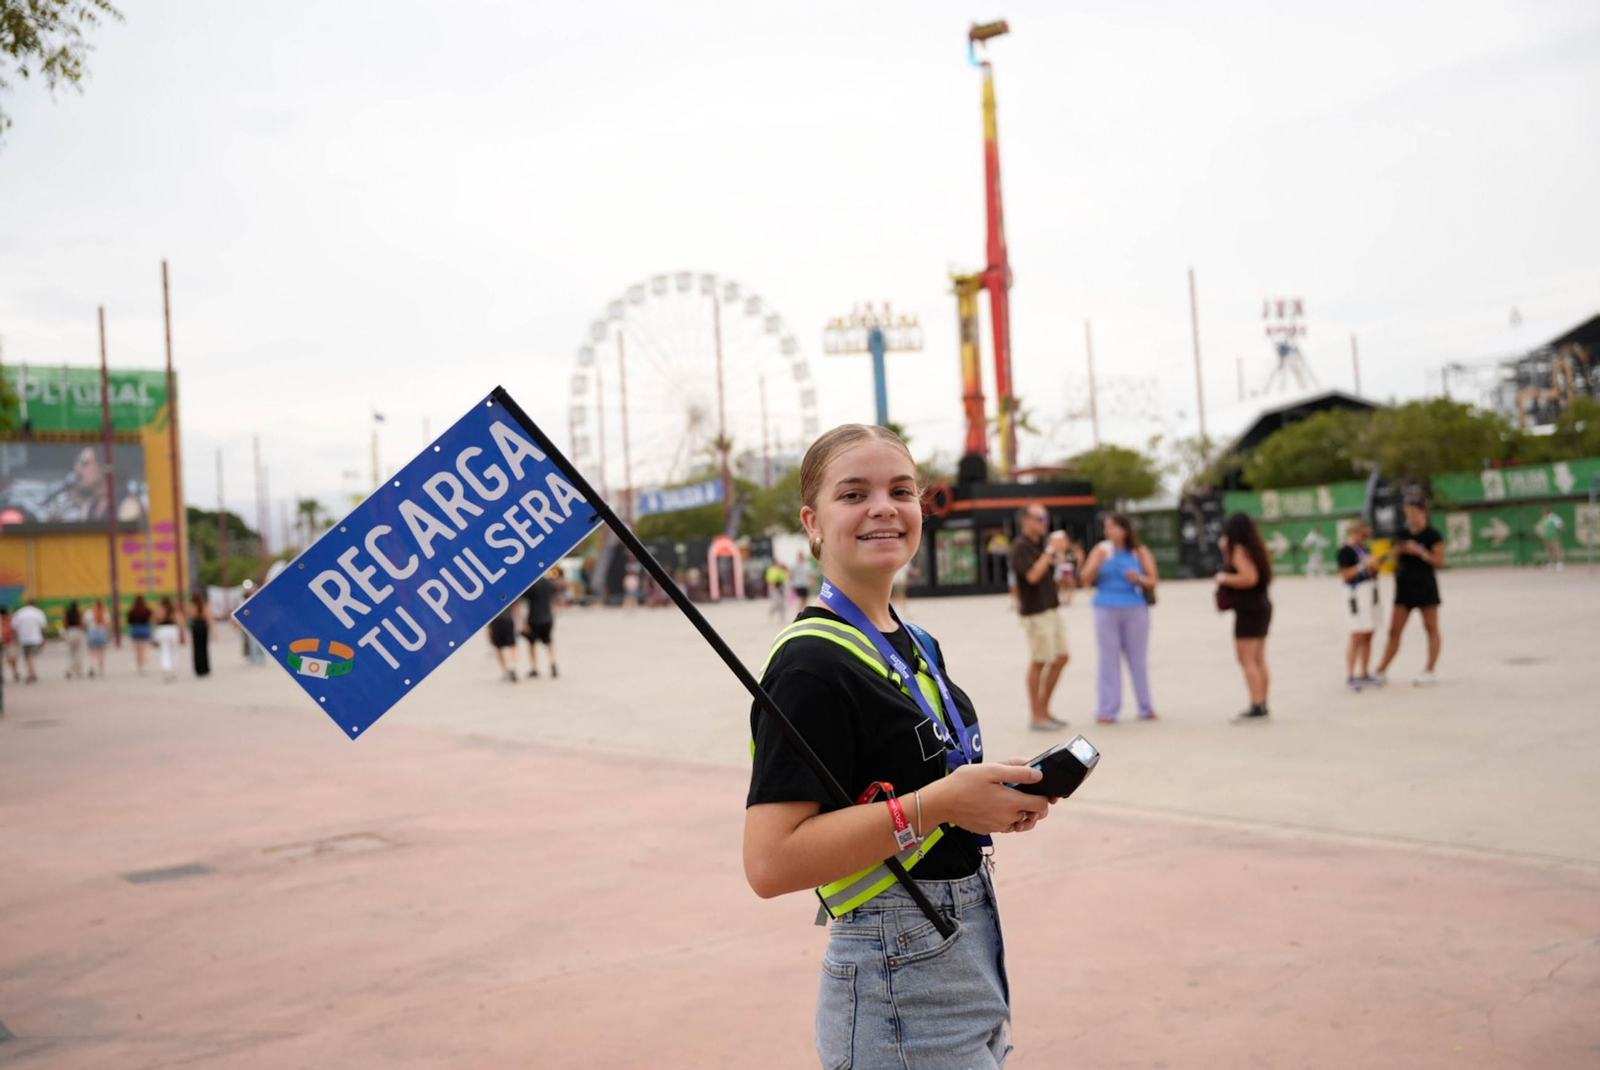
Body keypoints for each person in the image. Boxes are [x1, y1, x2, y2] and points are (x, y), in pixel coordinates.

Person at [744, 423, 1056, 1070]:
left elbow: (928, 781)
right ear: (812, 522)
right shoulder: (809, 667)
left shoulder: (916, 640)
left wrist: (987, 798)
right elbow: (770, 863)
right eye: (854, 494)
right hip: (896, 977)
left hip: (968, 949)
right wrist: (941, 803)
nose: (884, 507)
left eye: (902, 490)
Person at [1079, 512, 1159, 724]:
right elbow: (1085, 578)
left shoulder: (1139, 552)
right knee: (1108, 659)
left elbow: (1153, 580)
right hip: (1105, 606)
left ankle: (1146, 705)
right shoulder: (1101, 550)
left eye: (1113, 526)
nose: (1109, 531)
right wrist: (1096, 562)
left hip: (1134, 606)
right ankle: (1108, 709)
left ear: (1125, 529)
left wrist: (1138, 578)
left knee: (1138, 659)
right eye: (1107, 527)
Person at [1009, 503, 1072, 730]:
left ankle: (1045, 710)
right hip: (1036, 612)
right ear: (1026, 521)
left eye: (1045, 518)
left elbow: (1060, 577)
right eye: (1040, 519)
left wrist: (1060, 555)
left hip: (1051, 608)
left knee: (1061, 657)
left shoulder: (1039, 545)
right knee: (1039, 661)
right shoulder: (1020, 546)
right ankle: (1037, 715)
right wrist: (1049, 551)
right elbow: (1033, 576)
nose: (1045, 523)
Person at [1374, 499, 1446, 686]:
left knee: (1431, 628)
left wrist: (1420, 552)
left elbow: (1440, 561)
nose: (1410, 517)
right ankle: (1381, 669)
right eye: (1408, 514)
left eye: (1414, 513)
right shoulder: (1402, 534)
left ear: (1423, 513)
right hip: (1404, 586)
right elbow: (1393, 561)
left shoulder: (1433, 535)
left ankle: (1430, 669)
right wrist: (1396, 553)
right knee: (1394, 631)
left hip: (1425, 585)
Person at [1216, 513, 1274, 720]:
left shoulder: (1240, 551)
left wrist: (1224, 577)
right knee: (1259, 658)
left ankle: (1256, 703)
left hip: (1249, 607)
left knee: (1246, 658)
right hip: (1261, 605)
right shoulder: (1255, 549)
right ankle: (1262, 701)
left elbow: (1249, 578)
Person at [1336, 521, 1391, 690]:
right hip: (1355, 594)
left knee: (1368, 632)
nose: (1364, 539)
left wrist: (1378, 564)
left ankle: (1364, 673)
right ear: (1354, 533)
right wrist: (1362, 565)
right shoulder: (1345, 551)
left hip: (1369, 592)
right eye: (1361, 535)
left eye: (1366, 536)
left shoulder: (1364, 549)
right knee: (1356, 634)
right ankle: (1350, 675)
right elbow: (1346, 575)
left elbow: (1372, 572)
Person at [521, 571, 560, 678]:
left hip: (534, 618)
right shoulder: (548, 583)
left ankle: (534, 668)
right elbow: (554, 596)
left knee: (532, 644)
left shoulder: (530, 585)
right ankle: (553, 662)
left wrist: (523, 622)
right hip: (547, 617)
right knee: (548, 642)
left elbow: (524, 599)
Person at [12, 599, 48, 683]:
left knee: (27, 656)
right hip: (35, 638)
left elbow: (14, 627)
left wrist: (17, 637)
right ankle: (31, 674)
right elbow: (43, 626)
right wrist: (42, 636)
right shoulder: (38, 612)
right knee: (32, 656)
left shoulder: (20, 613)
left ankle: (31, 672)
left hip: (23, 638)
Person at [488, 604, 519, 682]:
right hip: (508, 619)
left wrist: (489, 630)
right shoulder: (507, 592)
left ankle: (505, 670)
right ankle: (513, 666)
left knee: (498, 647)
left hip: (496, 620)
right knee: (512, 645)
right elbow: (517, 607)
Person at [155, 596, 182, 681]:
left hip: (162, 629)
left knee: (165, 650)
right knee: (173, 651)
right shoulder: (173, 609)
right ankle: (173, 669)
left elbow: (156, 618)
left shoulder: (160, 609)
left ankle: (166, 669)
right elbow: (180, 619)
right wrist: (183, 632)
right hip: (172, 629)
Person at [127, 594, 153, 675]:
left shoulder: (132, 610)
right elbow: (150, 619)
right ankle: (144, 665)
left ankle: (139, 665)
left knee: (137, 650)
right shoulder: (147, 609)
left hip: (136, 629)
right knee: (145, 649)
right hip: (145, 629)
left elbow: (129, 621)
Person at [188, 593, 212, 678]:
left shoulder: (193, 606)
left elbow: (190, 615)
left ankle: (199, 668)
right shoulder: (204, 605)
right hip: (203, 625)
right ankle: (205, 667)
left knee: (197, 648)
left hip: (196, 625)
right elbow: (209, 616)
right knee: (204, 647)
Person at [86, 599, 110, 678]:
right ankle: (101, 670)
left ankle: (92, 666)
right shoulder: (105, 612)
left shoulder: (89, 613)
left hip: (92, 632)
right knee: (102, 653)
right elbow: (107, 624)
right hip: (102, 632)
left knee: (92, 652)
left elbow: (85, 622)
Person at [62, 601, 87, 680]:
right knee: (79, 652)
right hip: (78, 632)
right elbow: (82, 624)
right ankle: (79, 671)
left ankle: (70, 670)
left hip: (70, 632)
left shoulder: (67, 614)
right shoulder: (78, 615)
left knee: (71, 653)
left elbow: (64, 623)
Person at [0, 606, 19, 683]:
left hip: (9, 642)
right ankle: (14, 672)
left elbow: (14, 630)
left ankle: (14, 672)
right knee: (12, 658)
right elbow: (15, 630)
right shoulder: (10, 620)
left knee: (11, 658)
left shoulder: (10, 620)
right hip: (9, 642)